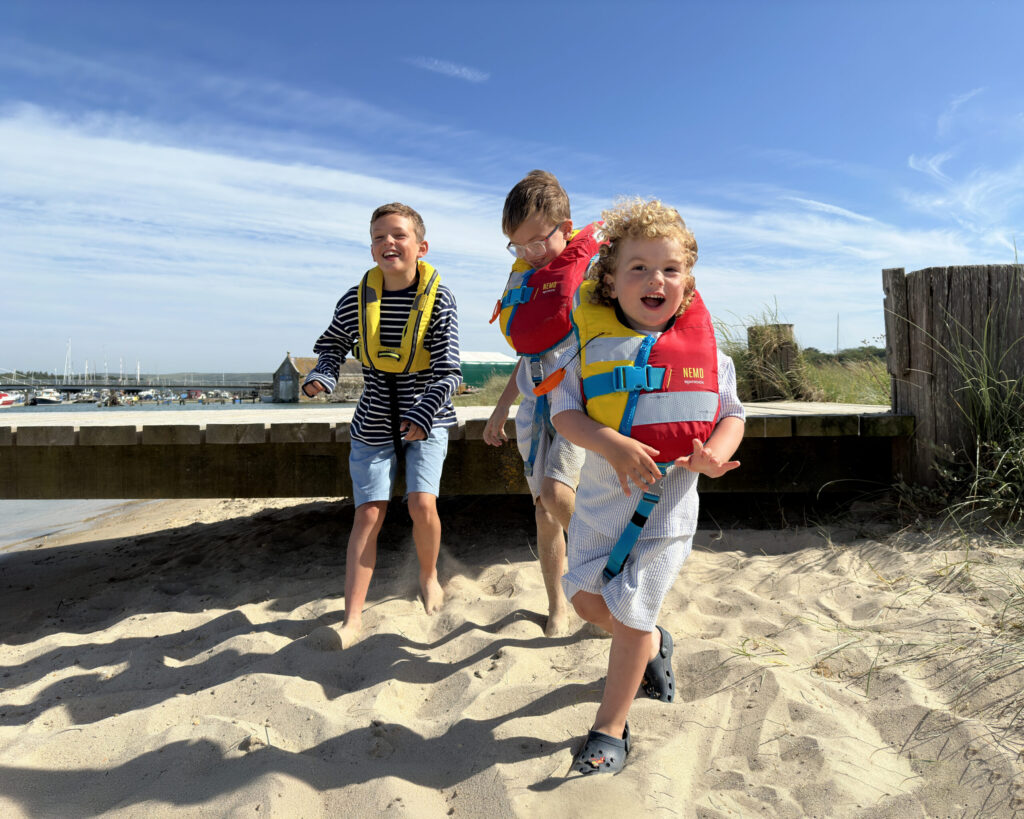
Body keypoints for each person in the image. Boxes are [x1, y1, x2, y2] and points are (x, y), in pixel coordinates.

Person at [546, 198, 745, 775]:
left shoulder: (713, 358)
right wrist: (610, 443)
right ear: (610, 281)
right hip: (601, 509)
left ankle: (610, 729)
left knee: (630, 615)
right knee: (588, 603)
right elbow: (565, 412)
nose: (656, 280)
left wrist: (715, 455)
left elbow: (732, 414)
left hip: (668, 514)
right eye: (639, 268)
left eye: (670, 269)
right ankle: (654, 642)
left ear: (687, 281)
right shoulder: (586, 347)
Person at [303, 203, 461, 648]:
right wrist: (323, 375)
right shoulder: (354, 299)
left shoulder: (440, 299)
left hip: (427, 413)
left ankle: (428, 576)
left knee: (421, 504)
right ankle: (352, 617)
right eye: (378, 237)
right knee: (369, 513)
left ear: (421, 247)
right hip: (374, 414)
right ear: (372, 249)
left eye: (398, 235)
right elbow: (332, 346)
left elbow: (449, 371)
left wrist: (423, 413)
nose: (387, 242)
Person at [483, 170, 602, 637]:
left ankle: (611, 568)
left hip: (579, 404)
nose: (529, 253)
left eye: (538, 241)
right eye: (517, 246)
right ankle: (557, 605)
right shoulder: (528, 278)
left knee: (557, 495)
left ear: (566, 227)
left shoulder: (590, 275)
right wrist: (501, 408)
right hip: (536, 405)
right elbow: (531, 354)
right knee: (543, 510)